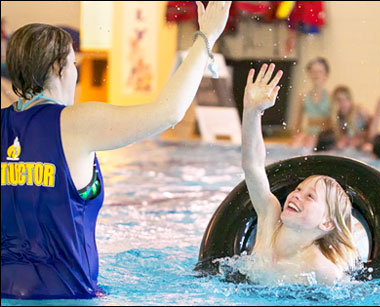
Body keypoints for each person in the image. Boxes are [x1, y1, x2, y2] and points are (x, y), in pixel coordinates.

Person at [1, 1, 232, 299]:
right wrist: (206, 38)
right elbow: (168, 112)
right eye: (73, 64)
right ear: (59, 68)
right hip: (63, 294)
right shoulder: (76, 123)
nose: (75, 73)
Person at [241, 63, 359, 285]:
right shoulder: (269, 218)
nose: (296, 195)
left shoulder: (322, 270)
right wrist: (252, 111)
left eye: (310, 196)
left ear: (326, 223)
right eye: (298, 189)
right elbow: (252, 166)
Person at [292, 57, 334, 149]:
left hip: (325, 135)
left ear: (326, 75)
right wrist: (296, 136)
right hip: (309, 133)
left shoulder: (331, 96)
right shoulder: (303, 96)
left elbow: (333, 123)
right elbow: (298, 123)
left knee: (310, 143)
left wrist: (317, 134)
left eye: (319, 72)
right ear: (309, 74)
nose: (316, 75)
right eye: (313, 72)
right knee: (296, 146)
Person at [332, 85, 370, 150]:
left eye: (346, 99)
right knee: (340, 145)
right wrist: (346, 139)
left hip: (363, 140)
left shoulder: (359, 111)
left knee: (366, 147)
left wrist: (361, 138)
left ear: (350, 100)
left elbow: (372, 130)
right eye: (339, 100)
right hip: (351, 141)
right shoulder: (339, 117)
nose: (343, 103)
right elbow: (342, 135)